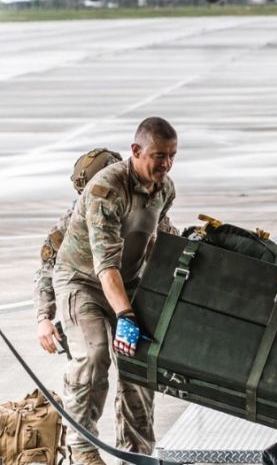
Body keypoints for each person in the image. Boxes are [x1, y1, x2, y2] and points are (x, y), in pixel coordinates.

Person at [53, 117, 178, 465]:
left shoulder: (164, 189)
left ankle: (135, 453)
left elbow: (159, 237)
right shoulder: (105, 190)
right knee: (94, 356)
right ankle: (82, 448)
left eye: (171, 156)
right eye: (158, 155)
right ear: (136, 151)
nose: (165, 164)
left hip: (129, 282)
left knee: (139, 367)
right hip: (84, 282)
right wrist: (125, 315)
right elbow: (105, 265)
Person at [36, 148, 123, 355]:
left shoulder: (132, 208)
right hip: (89, 292)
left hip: (128, 291)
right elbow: (47, 270)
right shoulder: (69, 224)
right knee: (90, 359)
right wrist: (44, 318)